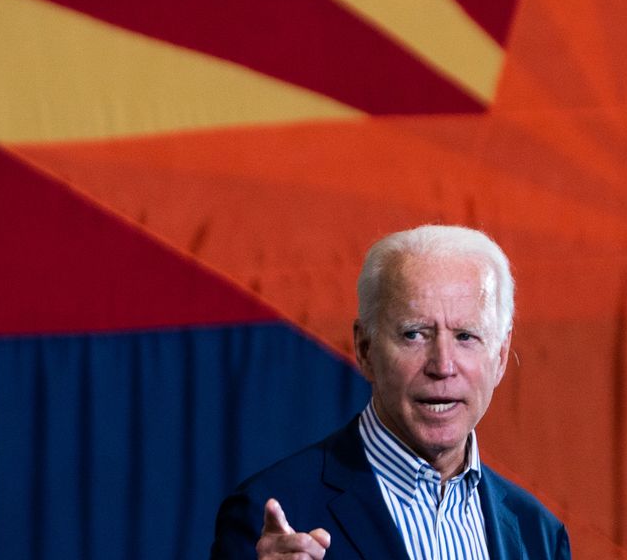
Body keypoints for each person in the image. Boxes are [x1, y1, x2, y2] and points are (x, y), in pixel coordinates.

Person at [209, 225, 570, 559]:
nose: (442, 365)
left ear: (501, 356)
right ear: (365, 349)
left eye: (465, 336)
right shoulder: (272, 513)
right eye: (414, 334)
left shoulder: (538, 534)